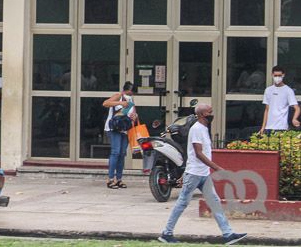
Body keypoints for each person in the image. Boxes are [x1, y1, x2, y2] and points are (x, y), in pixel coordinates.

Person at [158, 103, 247, 245]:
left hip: (202, 174)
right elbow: (198, 153)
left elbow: (193, 154)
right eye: (209, 112)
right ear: (201, 115)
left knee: (215, 202)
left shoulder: (204, 128)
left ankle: (228, 234)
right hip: (194, 174)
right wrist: (217, 168)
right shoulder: (197, 129)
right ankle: (166, 233)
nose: (212, 114)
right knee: (182, 203)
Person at [102, 81, 137, 189]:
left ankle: (119, 179)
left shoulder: (131, 99)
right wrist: (120, 103)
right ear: (127, 90)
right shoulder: (119, 96)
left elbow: (132, 112)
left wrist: (134, 116)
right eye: (131, 91)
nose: (132, 93)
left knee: (122, 153)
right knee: (115, 152)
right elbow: (105, 103)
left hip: (125, 129)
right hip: (114, 128)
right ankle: (110, 179)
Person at [259, 65, 300, 135]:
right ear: (272, 75)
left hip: (282, 127)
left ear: (283, 75)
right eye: (275, 75)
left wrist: (294, 119)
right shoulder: (268, 90)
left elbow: (297, 108)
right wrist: (263, 127)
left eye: (279, 75)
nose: (277, 77)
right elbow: (267, 110)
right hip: (268, 127)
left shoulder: (288, 90)